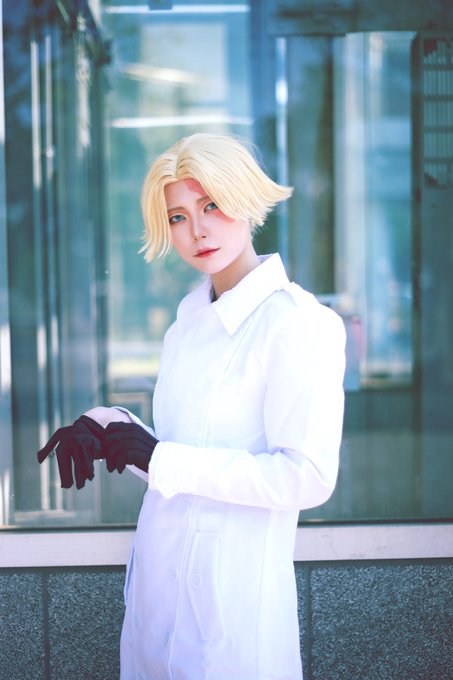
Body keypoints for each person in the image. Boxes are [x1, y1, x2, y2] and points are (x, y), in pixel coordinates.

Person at [38, 132, 346, 680]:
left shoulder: (297, 324)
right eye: (177, 217)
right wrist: (106, 426)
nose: (197, 230)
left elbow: (306, 476)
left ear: (245, 199)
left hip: (232, 614)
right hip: (158, 593)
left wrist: (161, 458)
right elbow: (177, 450)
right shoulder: (187, 321)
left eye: (211, 205)